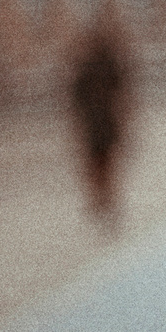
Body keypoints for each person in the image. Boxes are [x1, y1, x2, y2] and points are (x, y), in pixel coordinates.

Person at [67, 30, 130, 231]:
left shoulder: (93, 70)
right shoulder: (101, 70)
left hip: (98, 125)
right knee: (102, 164)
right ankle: (103, 199)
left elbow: (76, 101)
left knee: (100, 164)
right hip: (100, 124)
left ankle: (103, 199)